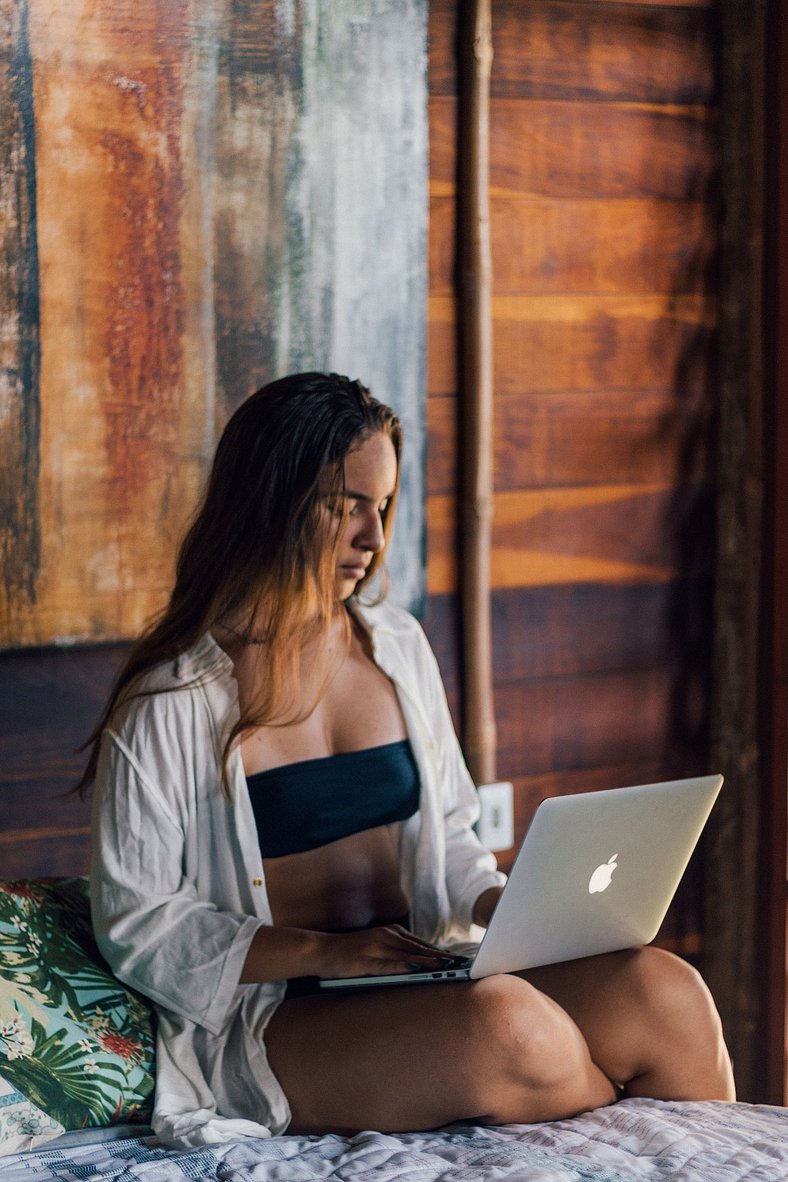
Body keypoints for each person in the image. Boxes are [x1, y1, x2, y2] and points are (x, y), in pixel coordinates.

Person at [82, 372, 735, 1147]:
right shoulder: (170, 702)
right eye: (343, 505)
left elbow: (453, 839)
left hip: (419, 971)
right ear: (270, 501)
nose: (373, 536)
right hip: (285, 1015)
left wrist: (509, 907)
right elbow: (138, 921)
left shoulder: (396, 647)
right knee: (511, 1026)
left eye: (382, 505)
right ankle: (639, 1140)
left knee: (666, 990)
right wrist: (327, 952)